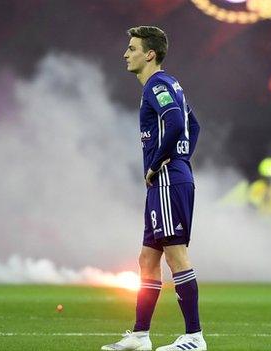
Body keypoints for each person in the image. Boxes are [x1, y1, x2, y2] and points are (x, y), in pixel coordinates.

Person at [101, 26, 206, 351]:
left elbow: (175, 122)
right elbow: (194, 124)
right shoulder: (171, 84)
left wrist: (161, 161)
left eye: (132, 48)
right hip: (171, 177)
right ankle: (140, 335)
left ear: (149, 54)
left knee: (176, 255)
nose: (125, 53)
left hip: (167, 180)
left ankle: (194, 337)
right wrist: (181, 158)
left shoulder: (157, 85)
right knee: (147, 259)